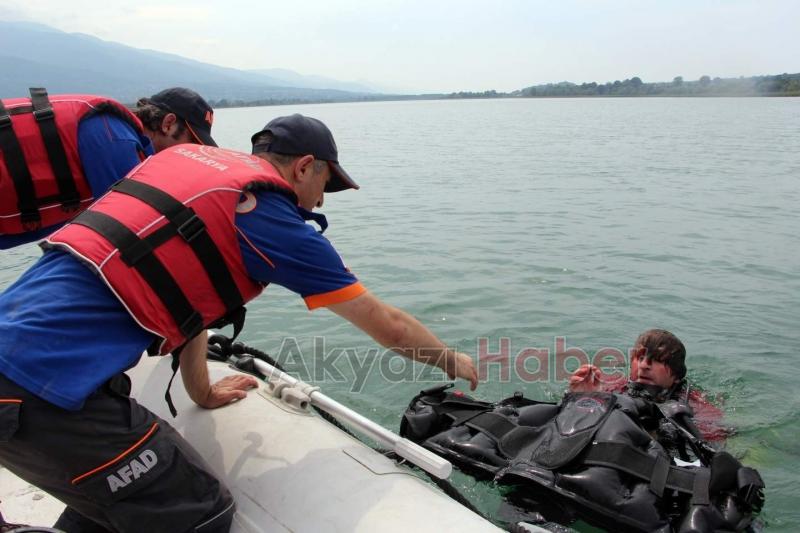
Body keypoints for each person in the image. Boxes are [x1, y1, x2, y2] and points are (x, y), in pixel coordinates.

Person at [0, 113, 478, 533]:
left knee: (124, 497)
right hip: (39, 389)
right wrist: (450, 360)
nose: (320, 202)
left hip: (27, 367)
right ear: (304, 166)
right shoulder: (270, 220)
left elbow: (187, 300)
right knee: (197, 512)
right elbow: (388, 325)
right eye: (325, 184)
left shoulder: (184, 165)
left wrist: (202, 391)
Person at [401, 329, 763, 532]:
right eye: (640, 357)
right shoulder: (614, 386)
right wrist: (578, 396)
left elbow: (709, 445)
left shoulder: (695, 404)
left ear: (676, 373)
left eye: (656, 360)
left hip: (639, 465)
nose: (644, 365)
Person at [0, 87, 216, 251]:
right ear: (168, 123)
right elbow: (126, 230)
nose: (188, 156)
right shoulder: (116, 138)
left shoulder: (123, 143)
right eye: (191, 144)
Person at [133, 87, 217, 151]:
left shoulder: (139, 149)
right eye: (193, 143)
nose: (194, 153)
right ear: (168, 124)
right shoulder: (128, 151)